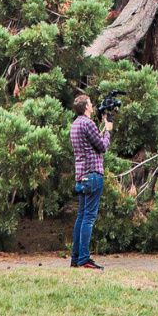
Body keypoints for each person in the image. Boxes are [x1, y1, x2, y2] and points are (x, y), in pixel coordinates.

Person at [69, 93, 113, 270]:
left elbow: (92, 143)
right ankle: (84, 259)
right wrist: (108, 130)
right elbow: (102, 147)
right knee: (89, 217)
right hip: (93, 175)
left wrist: (102, 126)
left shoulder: (76, 125)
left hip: (81, 176)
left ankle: (76, 258)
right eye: (91, 103)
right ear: (86, 106)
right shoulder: (88, 123)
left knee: (81, 216)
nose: (93, 105)